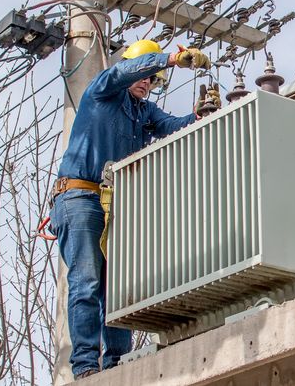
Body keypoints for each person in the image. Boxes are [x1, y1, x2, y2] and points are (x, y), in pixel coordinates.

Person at [49, 40, 212, 380]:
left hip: (112, 204)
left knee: (119, 287)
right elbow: (125, 71)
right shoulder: (104, 89)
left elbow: (171, 126)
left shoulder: (143, 111)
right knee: (88, 282)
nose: (147, 82)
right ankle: (85, 367)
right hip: (79, 199)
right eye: (145, 74)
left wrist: (200, 114)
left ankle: (116, 364)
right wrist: (170, 59)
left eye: (152, 80)